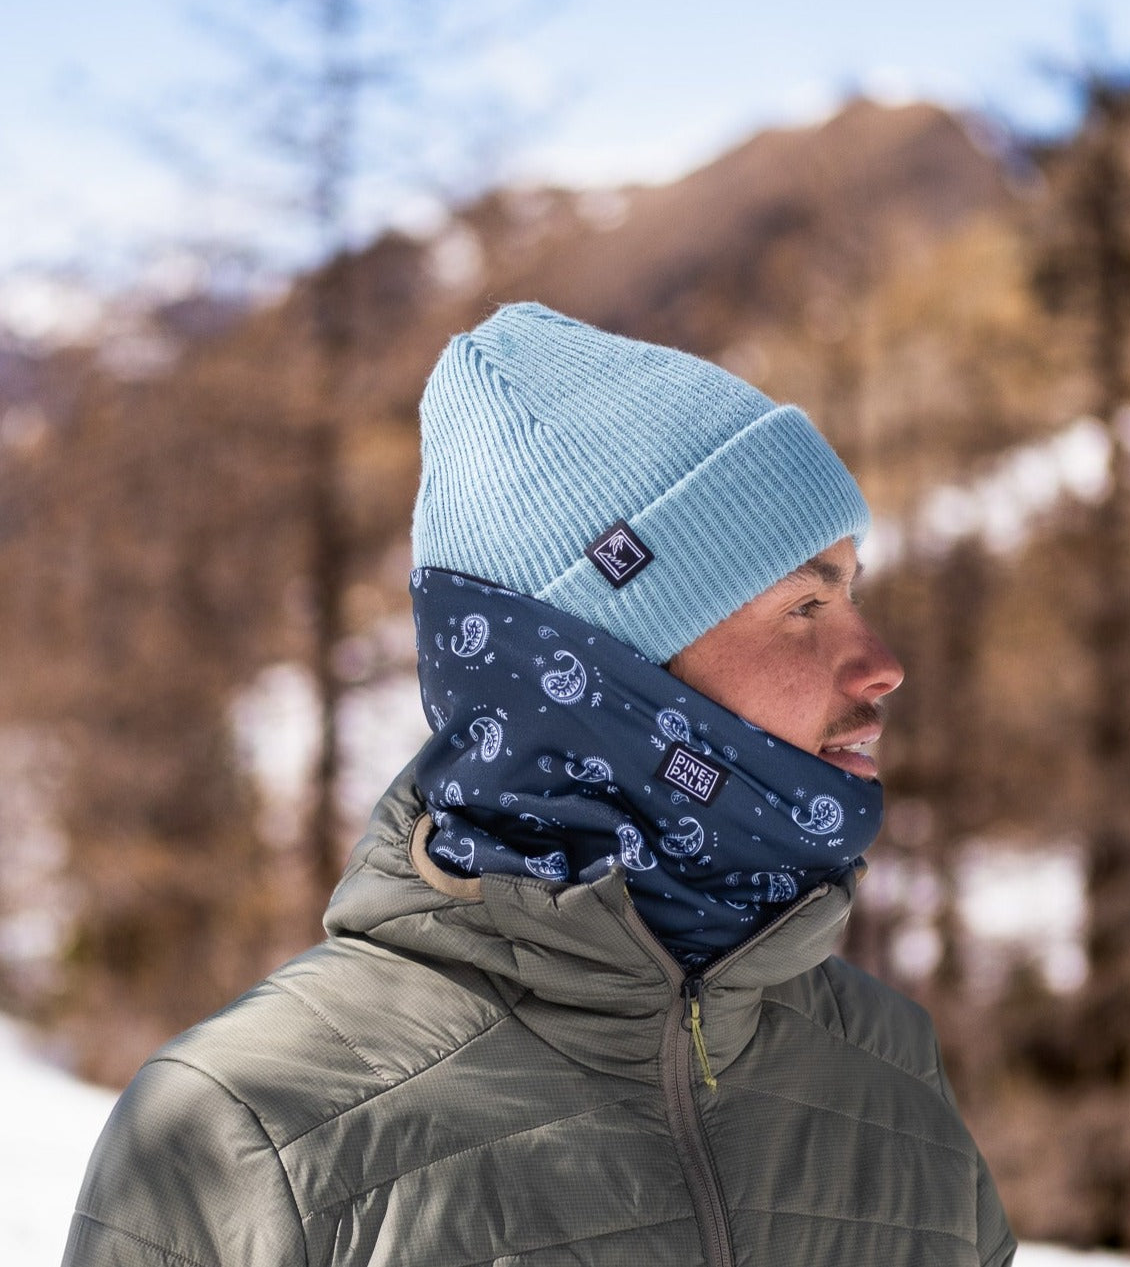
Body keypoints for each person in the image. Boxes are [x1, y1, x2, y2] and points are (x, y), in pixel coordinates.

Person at [63, 303, 1016, 1267]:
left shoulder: (893, 1077)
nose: (881, 663)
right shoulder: (244, 1134)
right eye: (804, 605)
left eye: (852, 593)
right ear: (596, 670)